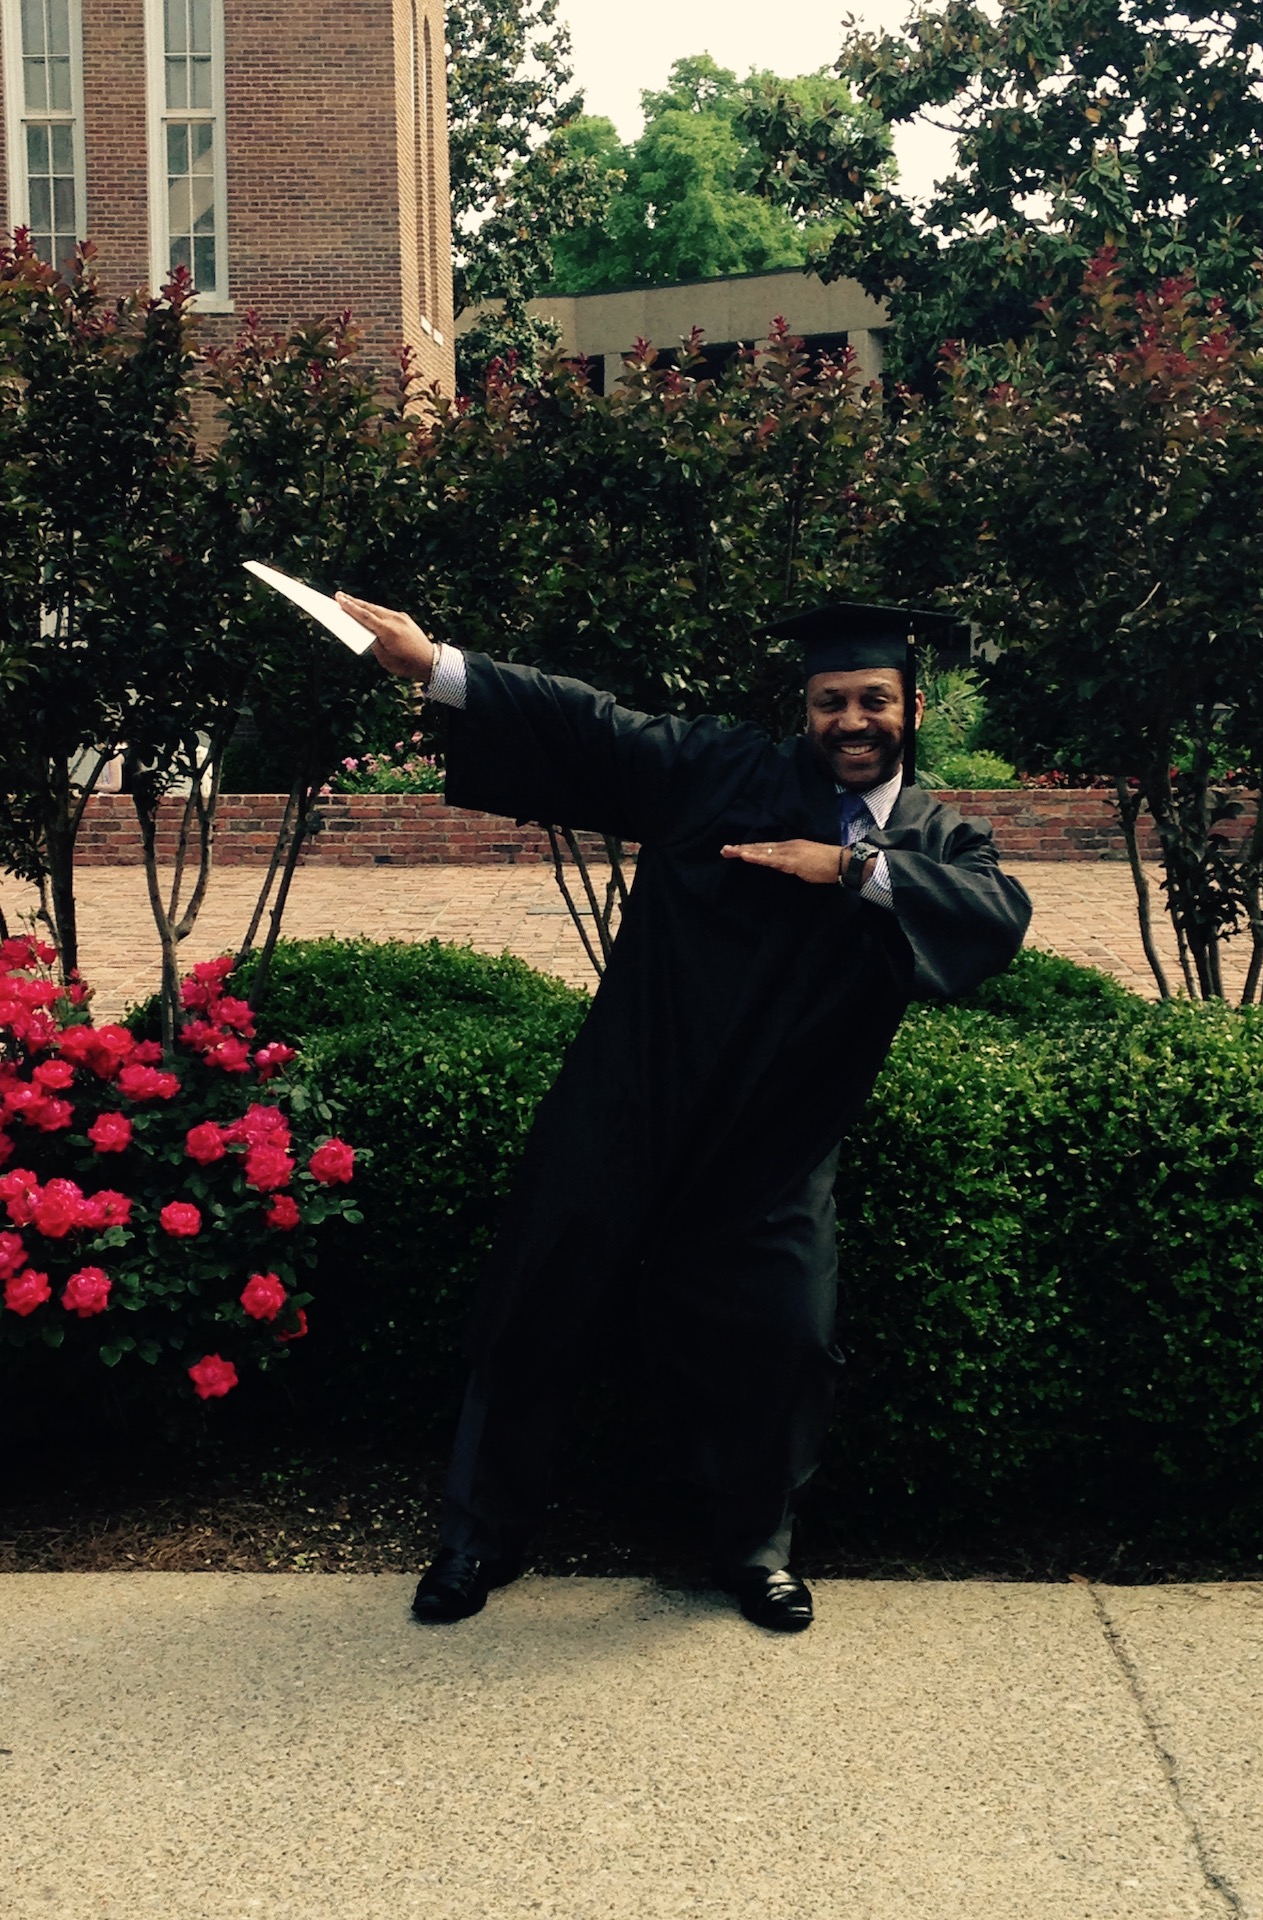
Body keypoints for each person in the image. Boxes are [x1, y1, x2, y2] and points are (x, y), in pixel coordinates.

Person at [335, 592, 1033, 1632]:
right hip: (633, 1097)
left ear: (913, 707)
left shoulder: (942, 839)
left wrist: (849, 868)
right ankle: (480, 1537)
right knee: (535, 1302)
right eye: (832, 700)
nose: (852, 720)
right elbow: (594, 725)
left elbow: (996, 915)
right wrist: (436, 664)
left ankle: (753, 1547)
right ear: (806, 709)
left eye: (873, 700)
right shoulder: (727, 774)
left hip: (776, 1144)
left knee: (786, 1336)